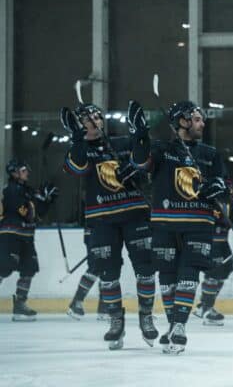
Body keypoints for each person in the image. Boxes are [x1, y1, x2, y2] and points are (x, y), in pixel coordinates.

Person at [128, 100, 228, 354]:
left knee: (189, 273)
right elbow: (140, 163)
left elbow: (223, 184)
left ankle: (180, 326)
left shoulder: (209, 153)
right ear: (182, 122)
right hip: (165, 223)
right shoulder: (161, 149)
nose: (202, 122)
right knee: (168, 277)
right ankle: (173, 324)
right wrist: (140, 134)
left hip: (198, 223)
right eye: (196, 119)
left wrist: (216, 186)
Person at [61, 103, 157, 350]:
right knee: (108, 274)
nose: (92, 120)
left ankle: (146, 316)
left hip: (134, 215)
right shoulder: (79, 149)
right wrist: (78, 138)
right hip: (101, 219)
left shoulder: (123, 143)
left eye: (95, 116)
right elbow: (75, 168)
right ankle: (116, 321)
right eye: (85, 118)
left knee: (145, 270)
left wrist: (135, 165)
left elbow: (146, 164)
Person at [0, 160, 57, 321]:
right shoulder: (11, 190)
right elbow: (27, 213)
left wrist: (47, 200)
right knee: (4, 268)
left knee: (29, 269)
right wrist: (40, 200)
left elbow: (38, 215)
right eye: (24, 170)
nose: (27, 173)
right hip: (10, 235)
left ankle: (19, 305)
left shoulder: (27, 191)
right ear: (14, 173)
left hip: (26, 236)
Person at [192, 197, 233, 326]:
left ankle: (204, 305)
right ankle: (206, 308)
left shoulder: (225, 184)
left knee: (225, 271)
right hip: (211, 236)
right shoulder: (207, 181)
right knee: (214, 272)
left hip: (223, 238)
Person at [65, 228, 110, 321]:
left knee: (106, 268)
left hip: (104, 231)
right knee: (96, 268)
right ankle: (76, 304)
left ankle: (103, 308)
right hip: (97, 230)